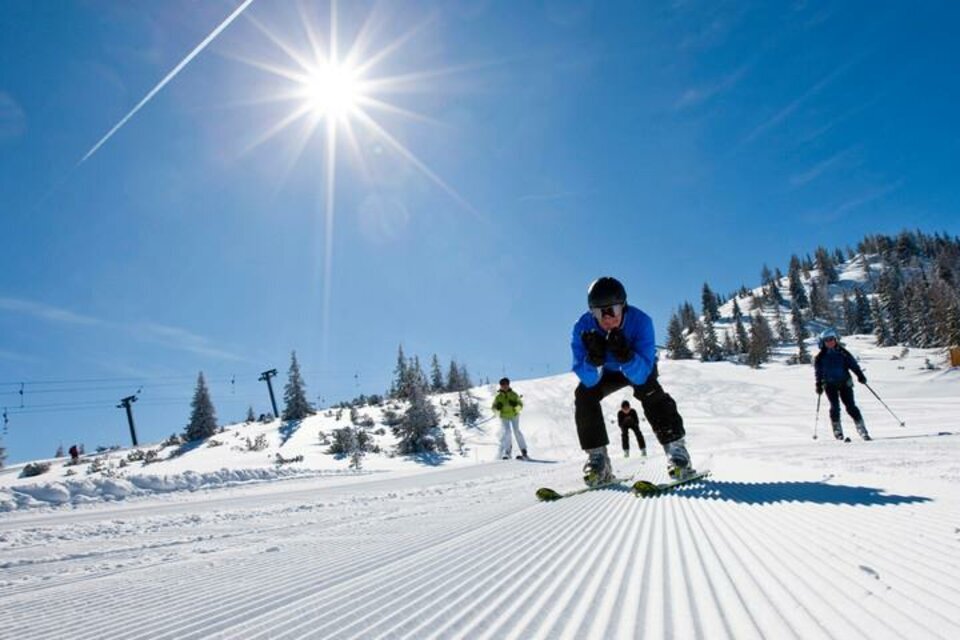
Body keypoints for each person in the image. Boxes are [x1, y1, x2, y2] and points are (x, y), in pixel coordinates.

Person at [571, 276, 693, 486]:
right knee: (584, 395)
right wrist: (592, 361)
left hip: (638, 367)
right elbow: (588, 380)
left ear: (624, 307)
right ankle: (599, 460)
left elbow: (641, 375)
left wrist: (627, 356)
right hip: (606, 372)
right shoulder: (583, 327)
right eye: (600, 312)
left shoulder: (641, 322)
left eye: (613, 311)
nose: (607, 318)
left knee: (651, 391)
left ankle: (676, 451)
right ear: (592, 312)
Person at [814, 328, 870, 441]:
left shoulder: (843, 353)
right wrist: (818, 384)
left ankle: (861, 429)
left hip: (845, 383)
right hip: (830, 385)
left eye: (832, 339)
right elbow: (818, 373)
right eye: (827, 340)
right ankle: (837, 430)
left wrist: (860, 375)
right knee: (835, 407)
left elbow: (853, 365)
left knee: (851, 406)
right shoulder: (820, 357)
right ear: (823, 342)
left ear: (836, 340)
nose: (830, 342)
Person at [492, 377, 528, 460]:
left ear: (508, 385)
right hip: (504, 416)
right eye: (502, 384)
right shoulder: (498, 397)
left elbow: (520, 405)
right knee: (507, 432)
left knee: (516, 431)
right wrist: (498, 408)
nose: (504, 386)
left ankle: (524, 450)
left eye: (506, 384)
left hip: (514, 415)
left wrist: (515, 406)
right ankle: (507, 452)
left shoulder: (514, 394)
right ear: (500, 386)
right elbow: (493, 408)